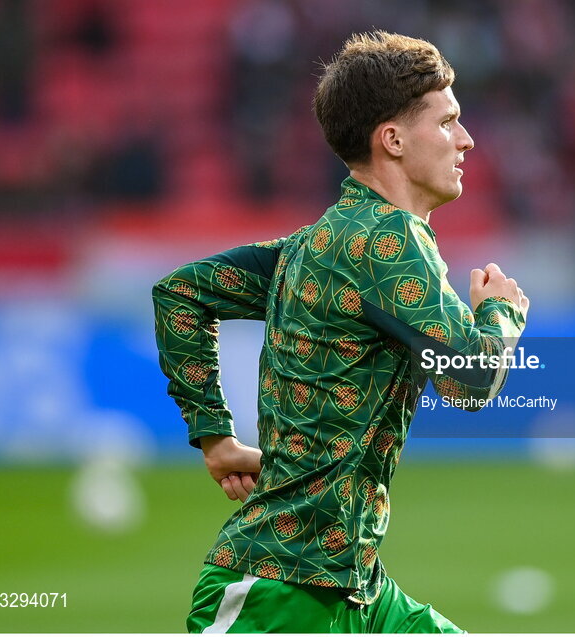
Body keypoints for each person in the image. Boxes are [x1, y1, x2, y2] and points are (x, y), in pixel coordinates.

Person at [152, 31, 529, 633]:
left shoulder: (312, 245)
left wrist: (215, 439)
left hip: (352, 585)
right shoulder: (388, 240)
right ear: (394, 139)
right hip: (280, 591)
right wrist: (501, 311)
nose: (466, 139)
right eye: (449, 121)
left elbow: (181, 294)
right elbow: (474, 378)